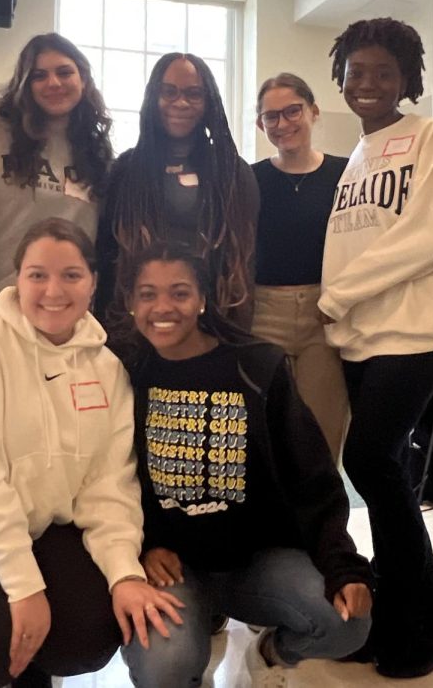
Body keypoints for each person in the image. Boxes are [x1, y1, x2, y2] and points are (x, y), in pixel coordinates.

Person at [0, 218, 183, 688]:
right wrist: (25, 587)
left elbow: (109, 488)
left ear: (93, 284)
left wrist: (125, 574)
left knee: (91, 634)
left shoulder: (106, 370)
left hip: (37, 524)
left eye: (70, 275)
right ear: (17, 280)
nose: (53, 290)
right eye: (37, 275)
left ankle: (30, 670)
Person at [118, 244, 373, 688]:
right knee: (165, 669)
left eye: (179, 293)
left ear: (202, 299)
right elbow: (108, 481)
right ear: (130, 303)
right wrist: (139, 547)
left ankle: (269, 654)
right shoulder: (125, 372)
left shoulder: (256, 366)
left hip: (255, 563)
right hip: (171, 567)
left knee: (346, 625)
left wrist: (343, 566)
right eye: (147, 294)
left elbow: (312, 479)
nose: (162, 307)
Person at [318, 17, 433, 679]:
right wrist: (341, 312)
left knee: (369, 459)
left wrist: (338, 294)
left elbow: (432, 235)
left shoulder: (427, 136)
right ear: (341, 79)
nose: (369, 83)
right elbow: (350, 240)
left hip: (415, 328)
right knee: (388, 477)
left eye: (384, 71)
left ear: (408, 78)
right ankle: (399, 609)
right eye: (357, 71)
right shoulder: (354, 156)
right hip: (359, 337)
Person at [95, 52, 259, 332]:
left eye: (193, 94)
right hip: (136, 326)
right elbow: (108, 255)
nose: (180, 102)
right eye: (168, 92)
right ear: (152, 99)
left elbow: (244, 264)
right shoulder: (126, 170)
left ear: (209, 103)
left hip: (212, 325)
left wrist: (236, 332)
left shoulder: (233, 172)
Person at [0, 32, 114, 303]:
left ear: (82, 80)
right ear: (24, 84)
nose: (53, 83)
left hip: (67, 311)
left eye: (64, 72)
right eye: (39, 76)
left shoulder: (96, 152)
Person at [251, 73, 350, 462]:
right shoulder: (250, 178)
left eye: (292, 111)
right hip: (262, 313)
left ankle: (322, 524)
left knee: (321, 438)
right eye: (271, 117)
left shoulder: (346, 175)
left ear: (313, 111)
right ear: (261, 125)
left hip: (324, 314)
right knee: (265, 435)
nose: (283, 123)